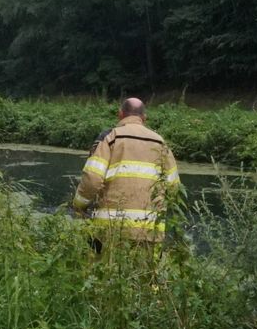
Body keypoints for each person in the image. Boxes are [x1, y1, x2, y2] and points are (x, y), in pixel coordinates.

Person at [72, 98, 180, 247]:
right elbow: (174, 187)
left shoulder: (111, 138)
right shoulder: (160, 143)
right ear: (144, 118)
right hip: (150, 230)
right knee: (144, 270)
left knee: (105, 268)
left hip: (111, 228)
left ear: (120, 114)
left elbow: (92, 179)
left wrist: (79, 205)